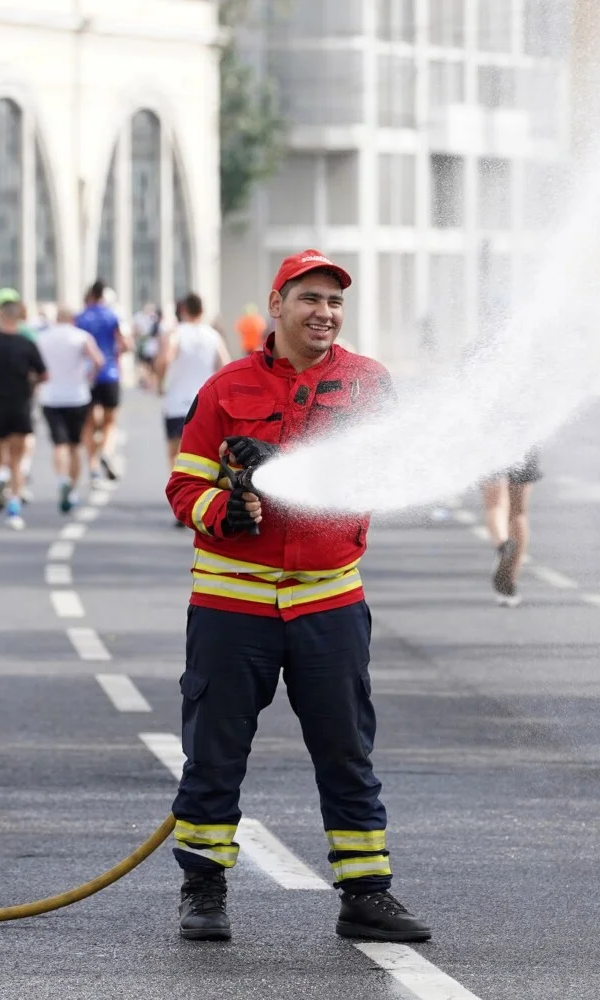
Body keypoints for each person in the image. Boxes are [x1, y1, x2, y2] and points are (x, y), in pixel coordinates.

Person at [164, 249, 431, 944]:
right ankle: (203, 890)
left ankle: (366, 894)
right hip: (232, 605)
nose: (325, 312)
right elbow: (183, 486)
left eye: (336, 302)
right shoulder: (226, 389)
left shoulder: (369, 384)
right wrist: (223, 510)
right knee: (215, 754)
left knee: (346, 750)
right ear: (276, 304)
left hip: (327, 601)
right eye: (311, 298)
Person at [0, 288, 47, 530]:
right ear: (18, 318)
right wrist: (31, 383)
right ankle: (14, 506)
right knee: (17, 458)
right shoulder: (27, 344)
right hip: (20, 405)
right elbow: (44, 374)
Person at [36, 306, 105, 514]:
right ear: (73, 319)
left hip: (51, 395)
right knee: (75, 445)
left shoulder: (43, 337)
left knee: (59, 443)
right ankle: (73, 489)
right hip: (77, 395)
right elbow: (99, 360)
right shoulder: (80, 336)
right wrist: (89, 376)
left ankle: (61, 479)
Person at [157, 292, 229, 476]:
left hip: (176, 402)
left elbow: (165, 358)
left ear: (182, 310)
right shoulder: (213, 336)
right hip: (204, 404)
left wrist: (160, 382)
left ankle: (177, 491)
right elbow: (225, 366)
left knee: (174, 453)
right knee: (203, 453)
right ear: (202, 311)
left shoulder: (175, 333)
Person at [76, 281, 129, 483]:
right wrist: (115, 352)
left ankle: (92, 465)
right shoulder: (112, 315)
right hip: (110, 373)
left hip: (87, 376)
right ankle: (106, 451)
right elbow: (125, 343)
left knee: (88, 423)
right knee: (110, 421)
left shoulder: (80, 318)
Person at [482, 450, 542, 607]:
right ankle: (509, 582)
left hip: (490, 437)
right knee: (518, 512)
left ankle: (502, 543)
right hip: (524, 439)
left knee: (495, 502)